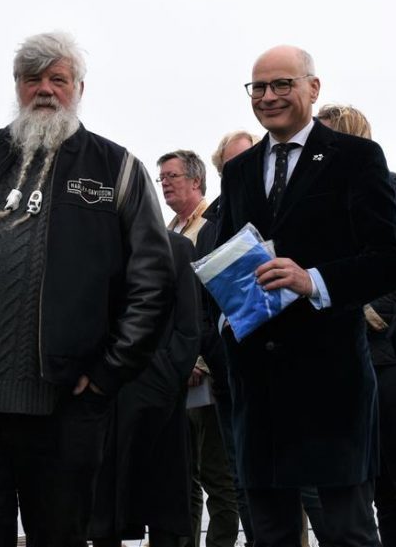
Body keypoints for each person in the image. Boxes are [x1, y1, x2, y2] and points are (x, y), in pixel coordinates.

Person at [0, 31, 173, 547]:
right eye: (32, 78)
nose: (45, 89)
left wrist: (107, 374)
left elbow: (153, 284)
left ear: (79, 89)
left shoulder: (117, 170)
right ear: (17, 86)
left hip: (66, 408)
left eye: (58, 78)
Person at [216, 45, 396, 547]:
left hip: (330, 379)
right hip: (257, 380)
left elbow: (388, 259)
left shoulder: (356, 158)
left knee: (347, 531)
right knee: (270, 533)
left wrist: (312, 280)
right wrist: (226, 316)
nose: (269, 96)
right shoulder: (238, 171)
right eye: (259, 87)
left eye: (282, 84)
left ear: (313, 88)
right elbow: (225, 254)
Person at [315, 103, 396, 547]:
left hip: (391, 356)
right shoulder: (330, 197)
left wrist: (371, 310)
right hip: (358, 353)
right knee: (382, 481)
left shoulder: (390, 188)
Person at [87, 231, 199, 547]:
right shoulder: (95, 242)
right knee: (104, 512)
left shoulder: (178, 248)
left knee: (164, 509)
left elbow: (190, 326)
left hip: (160, 399)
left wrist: (166, 374)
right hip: (105, 395)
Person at [156, 149, 240, 547]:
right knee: (181, 476)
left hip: (207, 371)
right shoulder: (168, 231)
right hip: (177, 374)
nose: (165, 184)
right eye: (161, 178)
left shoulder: (212, 227)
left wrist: (201, 361)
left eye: (172, 176)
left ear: (196, 181)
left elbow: (212, 301)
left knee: (218, 476)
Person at [199, 130, 260, 547]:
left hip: (278, 370)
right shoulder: (211, 227)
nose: (238, 170)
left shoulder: (277, 209)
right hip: (227, 374)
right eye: (230, 165)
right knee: (241, 479)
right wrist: (215, 354)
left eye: (247, 160)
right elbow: (203, 306)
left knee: (301, 482)